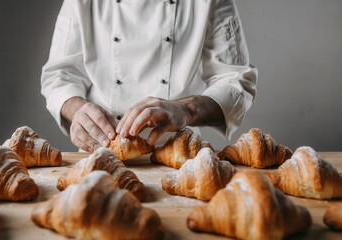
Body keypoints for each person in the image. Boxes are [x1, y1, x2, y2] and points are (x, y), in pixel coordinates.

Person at [41, 0, 257, 153]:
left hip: (180, 155)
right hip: (100, 153)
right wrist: (77, 109)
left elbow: (235, 81)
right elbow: (59, 75)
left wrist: (186, 109)